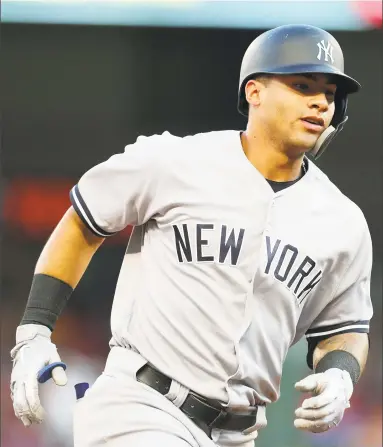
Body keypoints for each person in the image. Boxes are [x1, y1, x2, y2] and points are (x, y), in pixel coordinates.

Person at [10, 24, 373, 447]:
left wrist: (339, 374)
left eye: (329, 94)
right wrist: (34, 331)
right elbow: (83, 222)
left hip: (239, 433)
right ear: (254, 92)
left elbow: (344, 327)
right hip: (141, 407)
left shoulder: (342, 222)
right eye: (302, 84)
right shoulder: (175, 161)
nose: (319, 102)